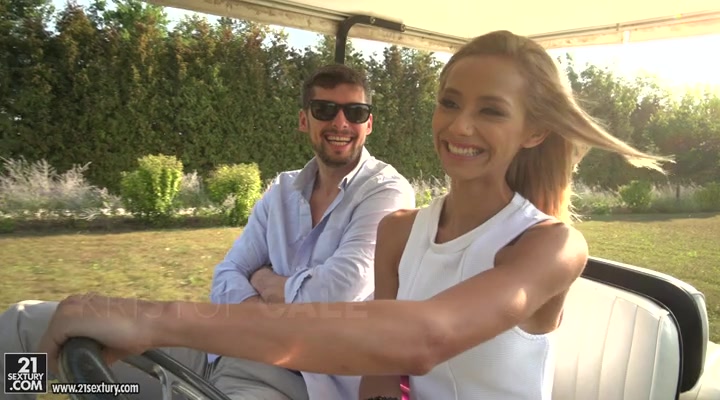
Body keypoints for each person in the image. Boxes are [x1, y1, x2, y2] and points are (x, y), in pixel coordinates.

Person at [34, 30, 671, 400]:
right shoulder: (400, 231)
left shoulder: (551, 245)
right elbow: (381, 382)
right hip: (253, 355)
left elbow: (423, 339)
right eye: (450, 102)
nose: (460, 126)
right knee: (35, 343)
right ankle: (34, 377)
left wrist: (150, 319)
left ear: (534, 132)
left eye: (491, 111)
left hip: (287, 374)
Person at [0, 64, 415, 400]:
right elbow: (226, 275)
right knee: (21, 326)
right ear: (304, 120)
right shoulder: (282, 190)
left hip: (293, 377)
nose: (341, 122)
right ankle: (22, 390)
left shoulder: (386, 191)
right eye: (325, 109)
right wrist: (267, 308)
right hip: (215, 346)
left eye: (355, 112)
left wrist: (264, 280)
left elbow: (336, 293)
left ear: (368, 123)